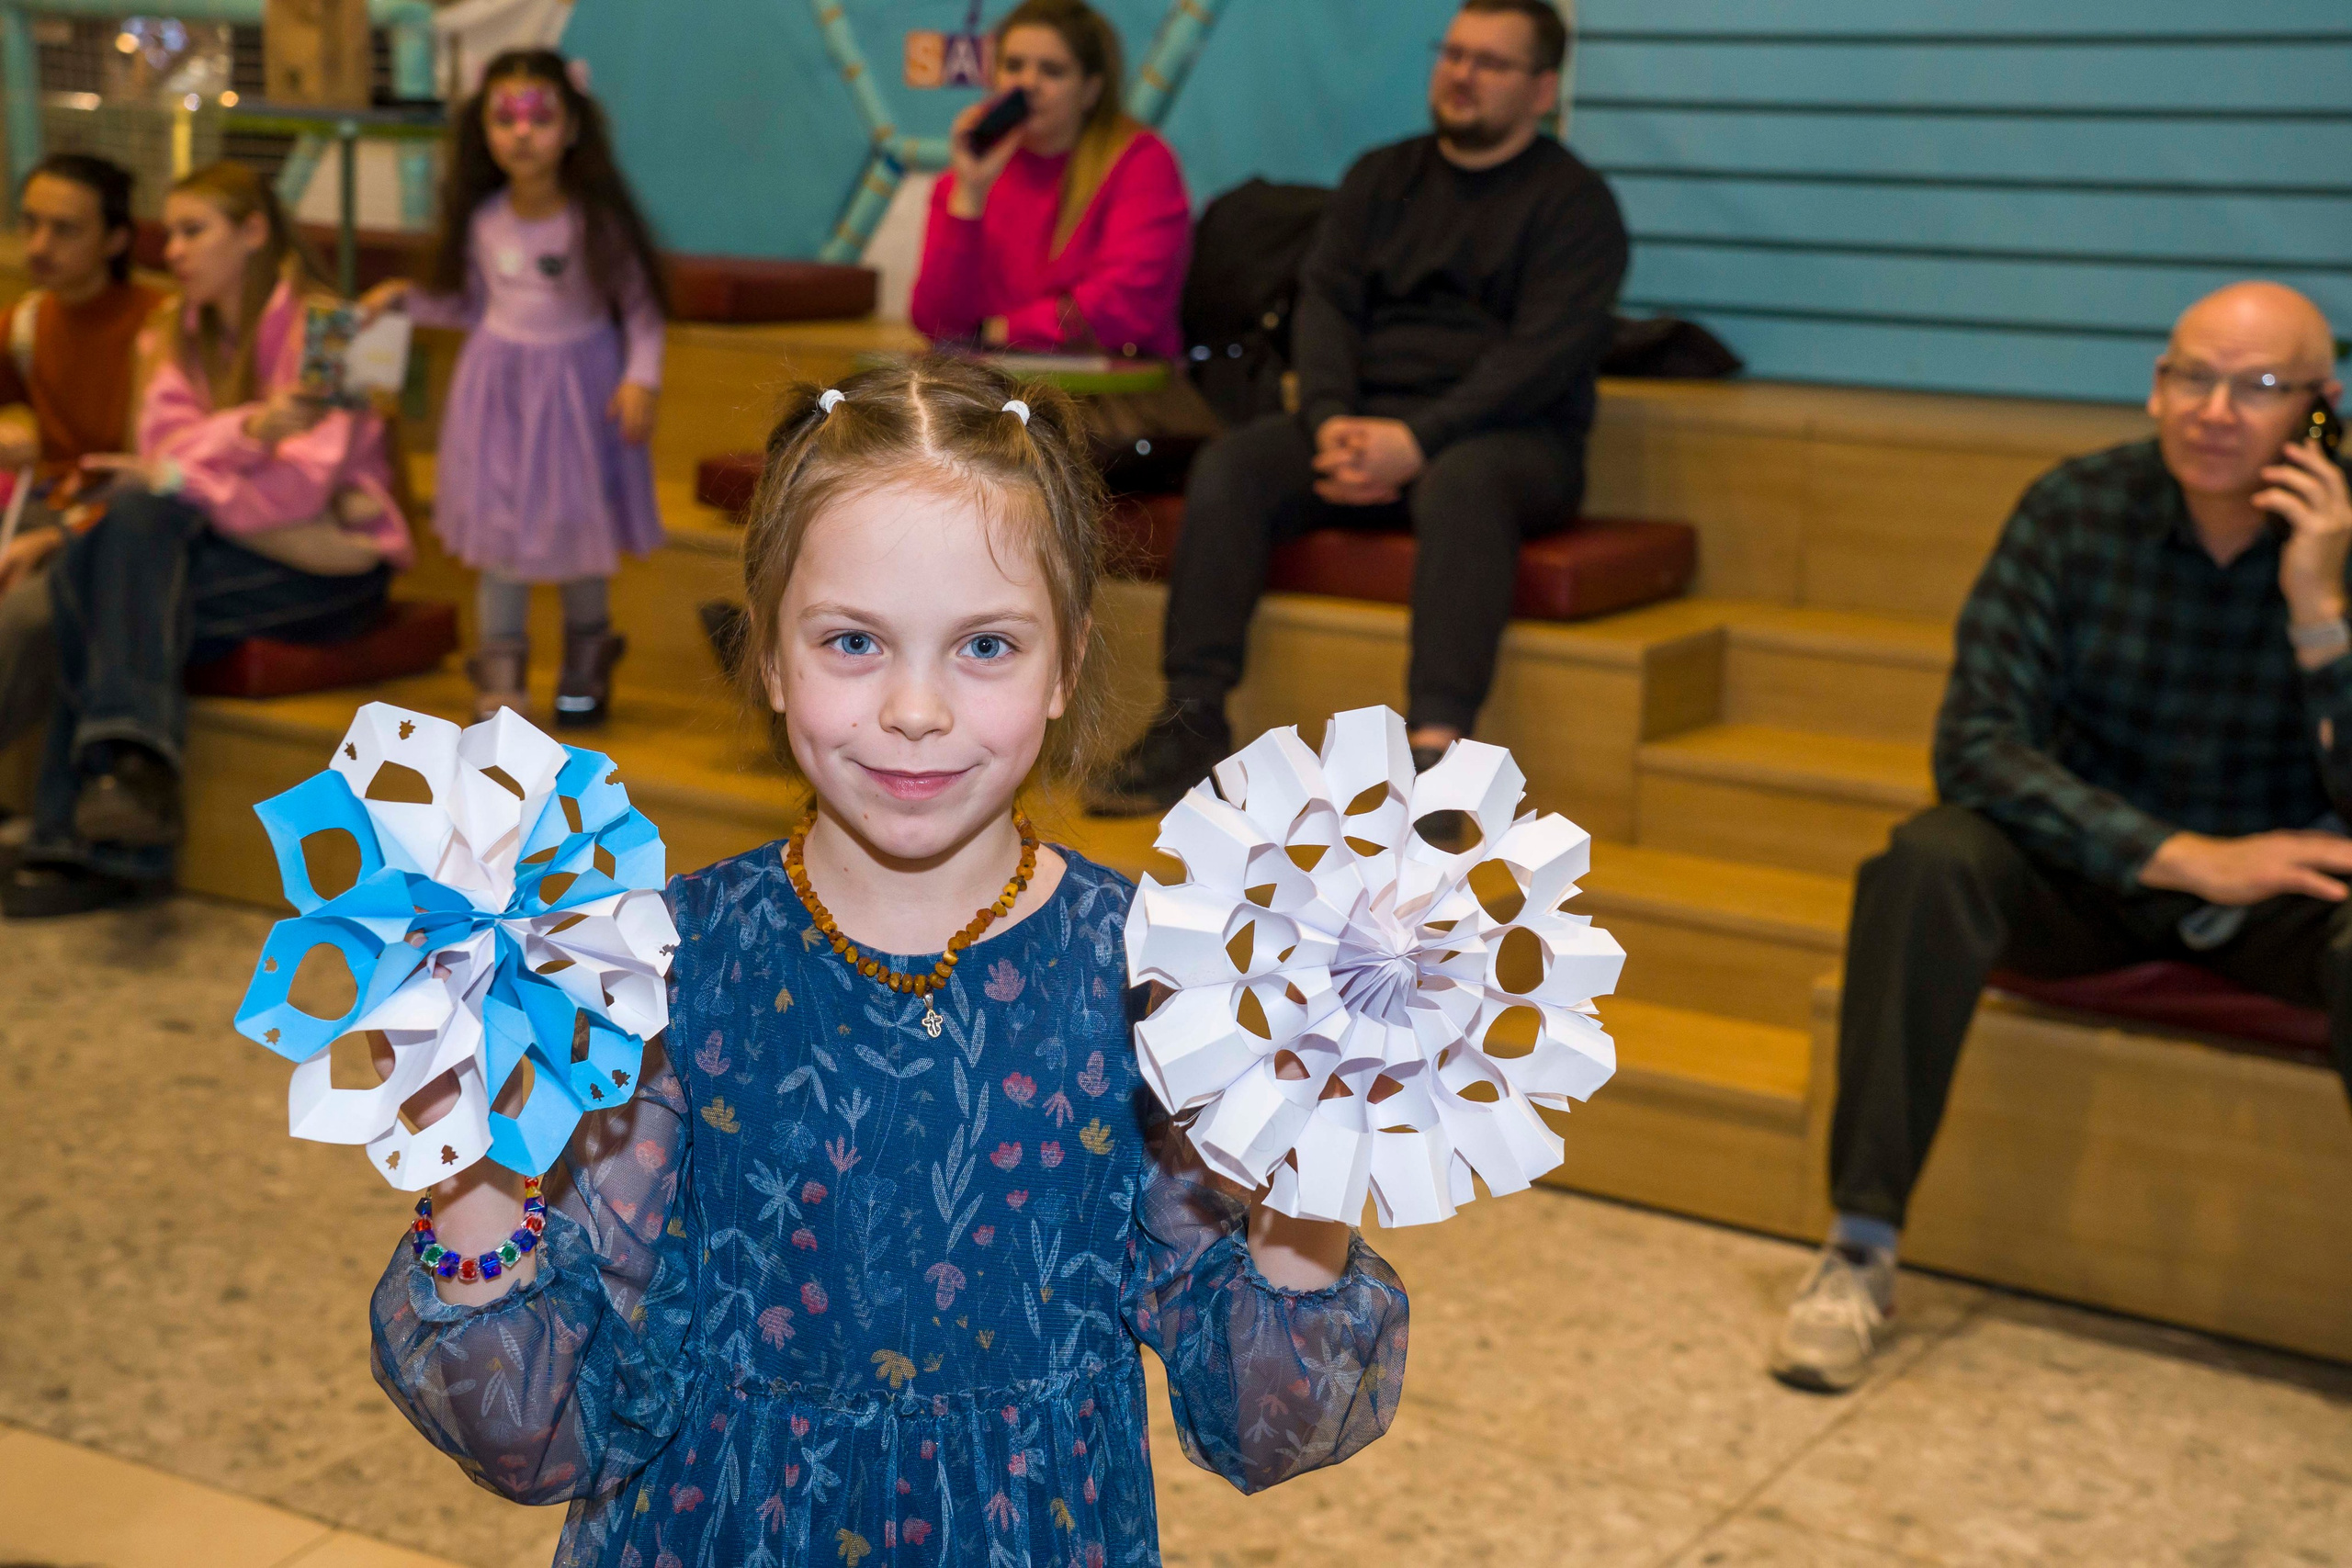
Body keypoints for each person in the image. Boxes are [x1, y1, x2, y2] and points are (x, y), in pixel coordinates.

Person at [369, 357, 1408, 1566]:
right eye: (853, 640)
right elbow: (544, 1433)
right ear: (768, 653)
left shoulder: (1160, 978)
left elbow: (1262, 1422)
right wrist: (474, 1168)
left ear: (1068, 658)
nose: (916, 708)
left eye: (986, 646)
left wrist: (1314, 1165)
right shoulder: (656, 962)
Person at [1770, 281, 2352, 1393]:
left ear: (2322, 410)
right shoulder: (2074, 510)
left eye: (2260, 387)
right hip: (2098, 874)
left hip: (2286, 890)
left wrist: (2319, 611)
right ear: (2155, 384)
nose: (2215, 410)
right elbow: (1976, 744)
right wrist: (2176, 855)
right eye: (2191, 376)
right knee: (1928, 859)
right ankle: (1858, 1250)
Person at [1088, 0, 1627, 815]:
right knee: (1233, 464)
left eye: (1490, 62)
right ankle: (1193, 722)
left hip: (1511, 439)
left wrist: (1419, 438)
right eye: (1453, 54)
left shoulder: (1576, 206)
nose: (1461, 73)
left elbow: (1540, 359)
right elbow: (1325, 301)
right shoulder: (1381, 177)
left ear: (1544, 89)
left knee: (1464, 483)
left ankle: (1441, 758)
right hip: (1362, 422)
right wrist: (1333, 417)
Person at [0, 162, 412, 919]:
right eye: (171, 233)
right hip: (233, 547)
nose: (174, 251)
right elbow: (161, 450)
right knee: (117, 552)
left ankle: (99, 836)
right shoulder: (167, 332)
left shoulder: (344, 331)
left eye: (194, 231)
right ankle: (120, 801)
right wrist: (246, 432)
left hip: (329, 568)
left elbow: (299, 487)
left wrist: (186, 473)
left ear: (253, 232)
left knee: (101, 579)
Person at [363, 48, 665, 728]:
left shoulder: (595, 222)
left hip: (578, 397)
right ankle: (501, 677)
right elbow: (470, 304)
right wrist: (403, 301)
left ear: (572, 127)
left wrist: (640, 378)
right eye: (504, 117)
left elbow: (641, 313)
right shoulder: (482, 219)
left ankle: (586, 665)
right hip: (496, 398)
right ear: (484, 131)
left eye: (539, 116)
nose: (521, 132)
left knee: (579, 534)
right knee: (500, 541)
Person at [910, 0, 1191, 361]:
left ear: (1090, 90)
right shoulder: (973, 170)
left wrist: (998, 330)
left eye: (1052, 71)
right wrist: (969, 194)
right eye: (1013, 66)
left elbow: (1122, 306)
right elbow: (936, 323)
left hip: (1109, 391)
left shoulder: (1140, 161)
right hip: (994, 386)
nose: (1027, 83)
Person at [0, 155, 164, 775]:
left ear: (116, 239)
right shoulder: (28, 319)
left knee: (32, 613)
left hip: (117, 521)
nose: (39, 245)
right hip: (42, 505)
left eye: (64, 229)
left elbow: (155, 469)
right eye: (30, 223)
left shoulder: (158, 322)